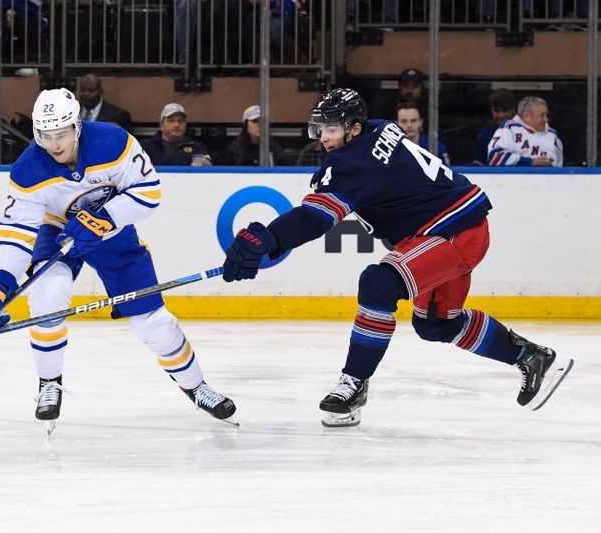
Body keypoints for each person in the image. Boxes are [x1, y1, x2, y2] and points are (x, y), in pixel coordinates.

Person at [221, 88, 573, 428]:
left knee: (378, 283)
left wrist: (268, 238)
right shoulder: (377, 128)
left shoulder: (354, 162)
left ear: (353, 129)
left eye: (331, 129)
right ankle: (530, 357)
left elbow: (316, 218)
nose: (324, 138)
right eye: (321, 129)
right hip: (455, 225)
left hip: (451, 232)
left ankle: (353, 383)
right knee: (435, 323)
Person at [0, 88, 236, 431]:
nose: (54, 145)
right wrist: (0, 283)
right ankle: (49, 383)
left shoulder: (113, 142)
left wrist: (104, 218)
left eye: (62, 134)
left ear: (77, 126)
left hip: (112, 233)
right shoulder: (27, 170)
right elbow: (16, 230)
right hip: (56, 234)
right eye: (46, 136)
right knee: (48, 296)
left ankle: (196, 386)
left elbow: (149, 191)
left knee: (153, 323)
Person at [487, 96, 563, 167]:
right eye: (542, 115)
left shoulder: (553, 135)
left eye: (546, 115)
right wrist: (530, 162)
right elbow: (494, 157)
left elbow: (561, 168)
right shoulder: (509, 129)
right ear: (527, 116)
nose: (546, 119)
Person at [140, 103, 211, 166]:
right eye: (171, 120)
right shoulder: (146, 146)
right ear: (161, 125)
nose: (176, 125)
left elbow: (207, 169)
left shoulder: (197, 147)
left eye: (180, 121)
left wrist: (206, 164)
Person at [395, 101, 450, 166]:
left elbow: (446, 173)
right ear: (396, 124)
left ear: (420, 122)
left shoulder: (437, 148)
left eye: (413, 121)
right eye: (404, 121)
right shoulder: (389, 148)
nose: (409, 125)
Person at [473, 88, 515, 165]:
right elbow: (480, 162)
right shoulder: (485, 135)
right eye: (497, 110)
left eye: (505, 110)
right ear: (491, 110)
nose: (501, 115)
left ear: (513, 109)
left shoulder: (523, 130)